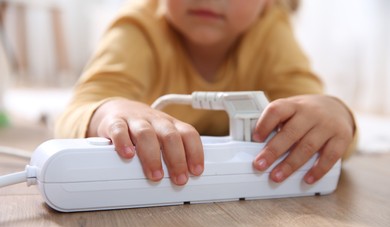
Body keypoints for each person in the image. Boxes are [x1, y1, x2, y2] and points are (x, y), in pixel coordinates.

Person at [55, 0, 356, 186]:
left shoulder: (271, 30)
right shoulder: (138, 26)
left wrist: (336, 115)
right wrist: (108, 112)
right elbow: (78, 111)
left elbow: (317, 118)